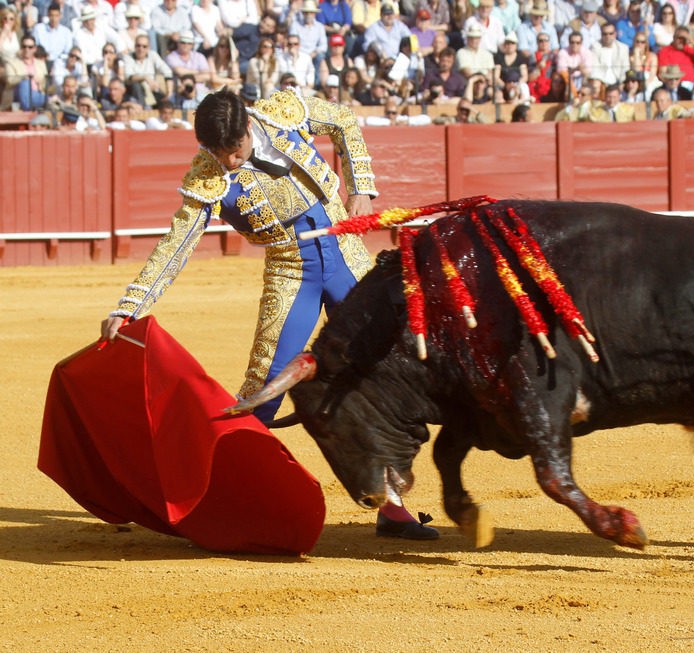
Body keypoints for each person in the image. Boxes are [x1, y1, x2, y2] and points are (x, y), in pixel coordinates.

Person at [99, 88, 440, 540]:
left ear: (245, 129)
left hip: (345, 255)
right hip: (291, 271)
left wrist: (361, 185)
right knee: (265, 386)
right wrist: (130, 306)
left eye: (232, 150)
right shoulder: (208, 176)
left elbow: (342, 120)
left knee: (382, 372)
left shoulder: (282, 112)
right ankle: (225, 498)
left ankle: (392, 506)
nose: (228, 162)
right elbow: (174, 247)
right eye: (215, 153)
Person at [125, 34, 174, 107]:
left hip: (152, 89)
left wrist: (169, 92)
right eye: (138, 45)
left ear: (148, 48)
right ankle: (143, 109)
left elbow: (167, 71)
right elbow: (128, 76)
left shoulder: (152, 55)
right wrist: (146, 78)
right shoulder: (128, 57)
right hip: (134, 91)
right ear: (134, 46)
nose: (141, 49)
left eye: (144, 46)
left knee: (168, 103)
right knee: (137, 86)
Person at [5, 36, 49, 110]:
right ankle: (29, 109)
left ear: (34, 49)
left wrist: (39, 81)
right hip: (20, 96)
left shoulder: (41, 64)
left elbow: (46, 84)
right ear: (21, 48)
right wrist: (23, 78)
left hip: (38, 94)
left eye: (30, 47)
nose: (27, 49)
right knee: (25, 83)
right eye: (24, 46)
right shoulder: (12, 63)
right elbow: (9, 80)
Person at [591, 22, 630, 87]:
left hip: (618, 81)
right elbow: (595, 69)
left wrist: (622, 83)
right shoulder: (595, 47)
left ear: (615, 34)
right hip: (601, 82)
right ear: (601, 34)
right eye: (605, 34)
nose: (608, 36)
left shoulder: (623, 48)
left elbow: (625, 68)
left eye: (610, 34)